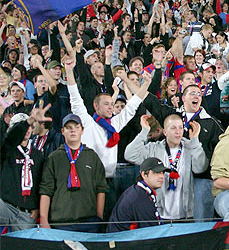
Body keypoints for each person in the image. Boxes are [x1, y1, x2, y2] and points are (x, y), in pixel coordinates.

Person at [64, 55, 149, 216]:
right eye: (106, 104)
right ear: (95, 106)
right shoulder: (87, 123)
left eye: (112, 104)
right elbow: (75, 98)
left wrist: (146, 84)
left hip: (110, 181)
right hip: (89, 182)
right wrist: (69, 70)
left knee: (110, 218)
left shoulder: (114, 124)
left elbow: (132, 106)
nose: (111, 107)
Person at [124, 114, 207, 220]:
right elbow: (130, 155)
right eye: (173, 128)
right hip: (160, 214)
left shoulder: (191, 147)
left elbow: (200, 168)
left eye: (180, 128)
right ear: (165, 132)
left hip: (185, 215)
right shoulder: (153, 148)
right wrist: (144, 132)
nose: (178, 132)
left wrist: (195, 141)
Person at [39, 114, 108, 232]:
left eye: (76, 127)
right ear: (62, 131)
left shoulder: (92, 156)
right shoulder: (54, 158)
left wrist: (99, 217)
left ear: (82, 130)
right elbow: (46, 190)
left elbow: (101, 188)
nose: (73, 130)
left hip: (89, 221)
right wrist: (44, 219)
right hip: (61, 221)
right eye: (68, 127)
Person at [0, 107, 51, 231]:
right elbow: (11, 138)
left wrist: (38, 207)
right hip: (5, 207)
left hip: (26, 214)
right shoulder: (7, 149)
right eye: (23, 126)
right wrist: (28, 121)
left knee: (21, 243)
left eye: (29, 126)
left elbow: (41, 183)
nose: (27, 129)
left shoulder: (38, 155)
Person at [107, 157, 170, 232]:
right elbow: (152, 232)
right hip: (123, 238)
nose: (161, 176)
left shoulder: (140, 191)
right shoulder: (140, 198)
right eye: (156, 173)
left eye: (162, 173)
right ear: (144, 175)